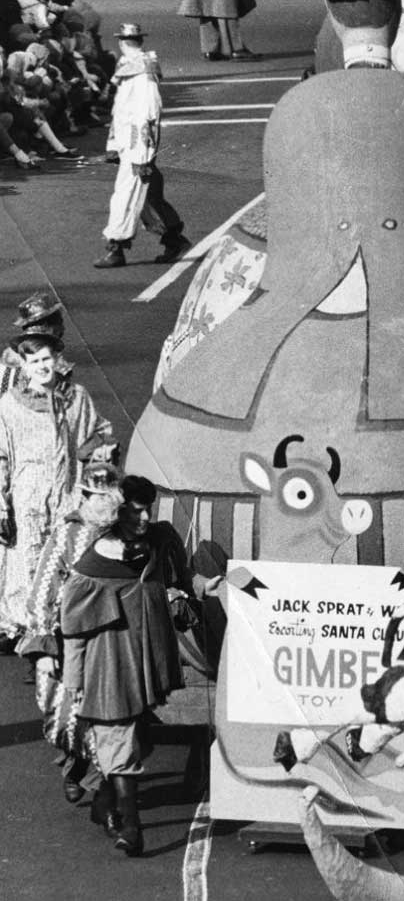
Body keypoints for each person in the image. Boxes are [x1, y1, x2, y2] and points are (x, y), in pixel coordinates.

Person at [59, 474, 195, 855]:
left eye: (148, 509)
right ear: (117, 514)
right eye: (136, 511)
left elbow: (178, 578)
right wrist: (73, 684)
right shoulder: (93, 566)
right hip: (109, 664)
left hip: (148, 661)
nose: (145, 517)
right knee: (120, 739)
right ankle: (132, 826)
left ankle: (105, 802)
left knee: (139, 739)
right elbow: (73, 629)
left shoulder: (159, 541)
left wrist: (198, 588)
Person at [0, 301, 115, 651]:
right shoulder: (9, 377)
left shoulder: (70, 387)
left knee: (62, 553)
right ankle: (20, 629)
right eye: (43, 324)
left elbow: (93, 430)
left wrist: (96, 454)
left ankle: (55, 628)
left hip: (63, 482)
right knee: (20, 554)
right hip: (24, 480)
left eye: (53, 325)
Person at [18, 456, 123, 806]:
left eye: (113, 498)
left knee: (105, 716)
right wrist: (44, 648)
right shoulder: (66, 534)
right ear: (84, 498)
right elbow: (42, 590)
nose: (109, 506)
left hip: (109, 642)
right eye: (101, 498)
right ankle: (72, 764)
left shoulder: (124, 536)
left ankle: (102, 783)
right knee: (60, 715)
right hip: (65, 643)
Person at [94, 23, 189, 268]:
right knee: (148, 196)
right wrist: (114, 144)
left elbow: (148, 114)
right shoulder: (133, 70)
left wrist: (142, 154)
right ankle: (173, 238)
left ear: (123, 43)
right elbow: (120, 112)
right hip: (131, 144)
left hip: (138, 148)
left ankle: (115, 247)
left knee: (124, 196)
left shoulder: (142, 74)